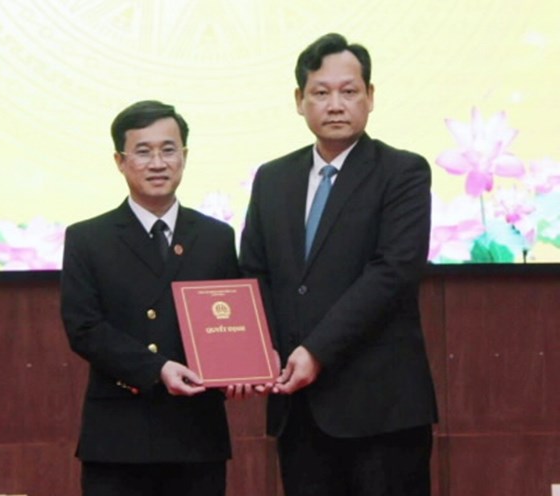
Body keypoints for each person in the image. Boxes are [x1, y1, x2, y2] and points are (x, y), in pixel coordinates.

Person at [239, 33, 438, 495]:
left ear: (370, 98)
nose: (335, 104)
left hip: (382, 411)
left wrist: (317, 351)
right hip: (299, 408)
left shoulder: (402, 172)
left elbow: (393, 273)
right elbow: (255, 272)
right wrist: (258, 348)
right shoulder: (273, 178)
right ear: (299, 100)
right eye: (320, 92)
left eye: (349, 92)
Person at [60, 100, 240, 496]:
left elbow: (231, 320)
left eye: (168, 149)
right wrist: (157, 368)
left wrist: (241, 368)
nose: (158, 162)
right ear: (120, 161)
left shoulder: (216, 238)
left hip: (196, 435)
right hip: (119, 437)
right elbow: (84, 329)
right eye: (143, 151)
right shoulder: (88, 239)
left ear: (185, 156)